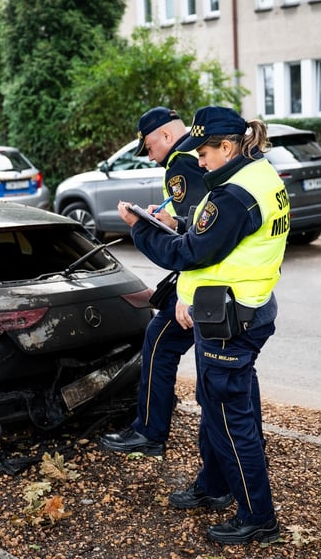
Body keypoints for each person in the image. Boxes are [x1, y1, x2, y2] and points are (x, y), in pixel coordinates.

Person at [116, 105, 288, 545]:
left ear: (226, 147)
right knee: (218, 407)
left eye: (205, 152)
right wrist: (176, 231)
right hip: (243, 308)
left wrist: (141, 230)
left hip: (230, 320)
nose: (199, 160)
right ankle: (213, 486)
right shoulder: (259, 175)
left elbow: (190, 253)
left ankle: (259, 518)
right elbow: (219, 244)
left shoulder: (233, 195)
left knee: (231, 421)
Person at [99, 106, 210, 458]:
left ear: (166, 134)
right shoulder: (200, 152)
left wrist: (141, 227)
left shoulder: (181, 163)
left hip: (202, 282)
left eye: (149, 147)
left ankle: (149, 433)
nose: (149, 156)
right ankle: (242, 440)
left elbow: (197, 244)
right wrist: (171, 221)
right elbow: (199, 220)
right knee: (227, 373)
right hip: (221, 283)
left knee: (159, 342)